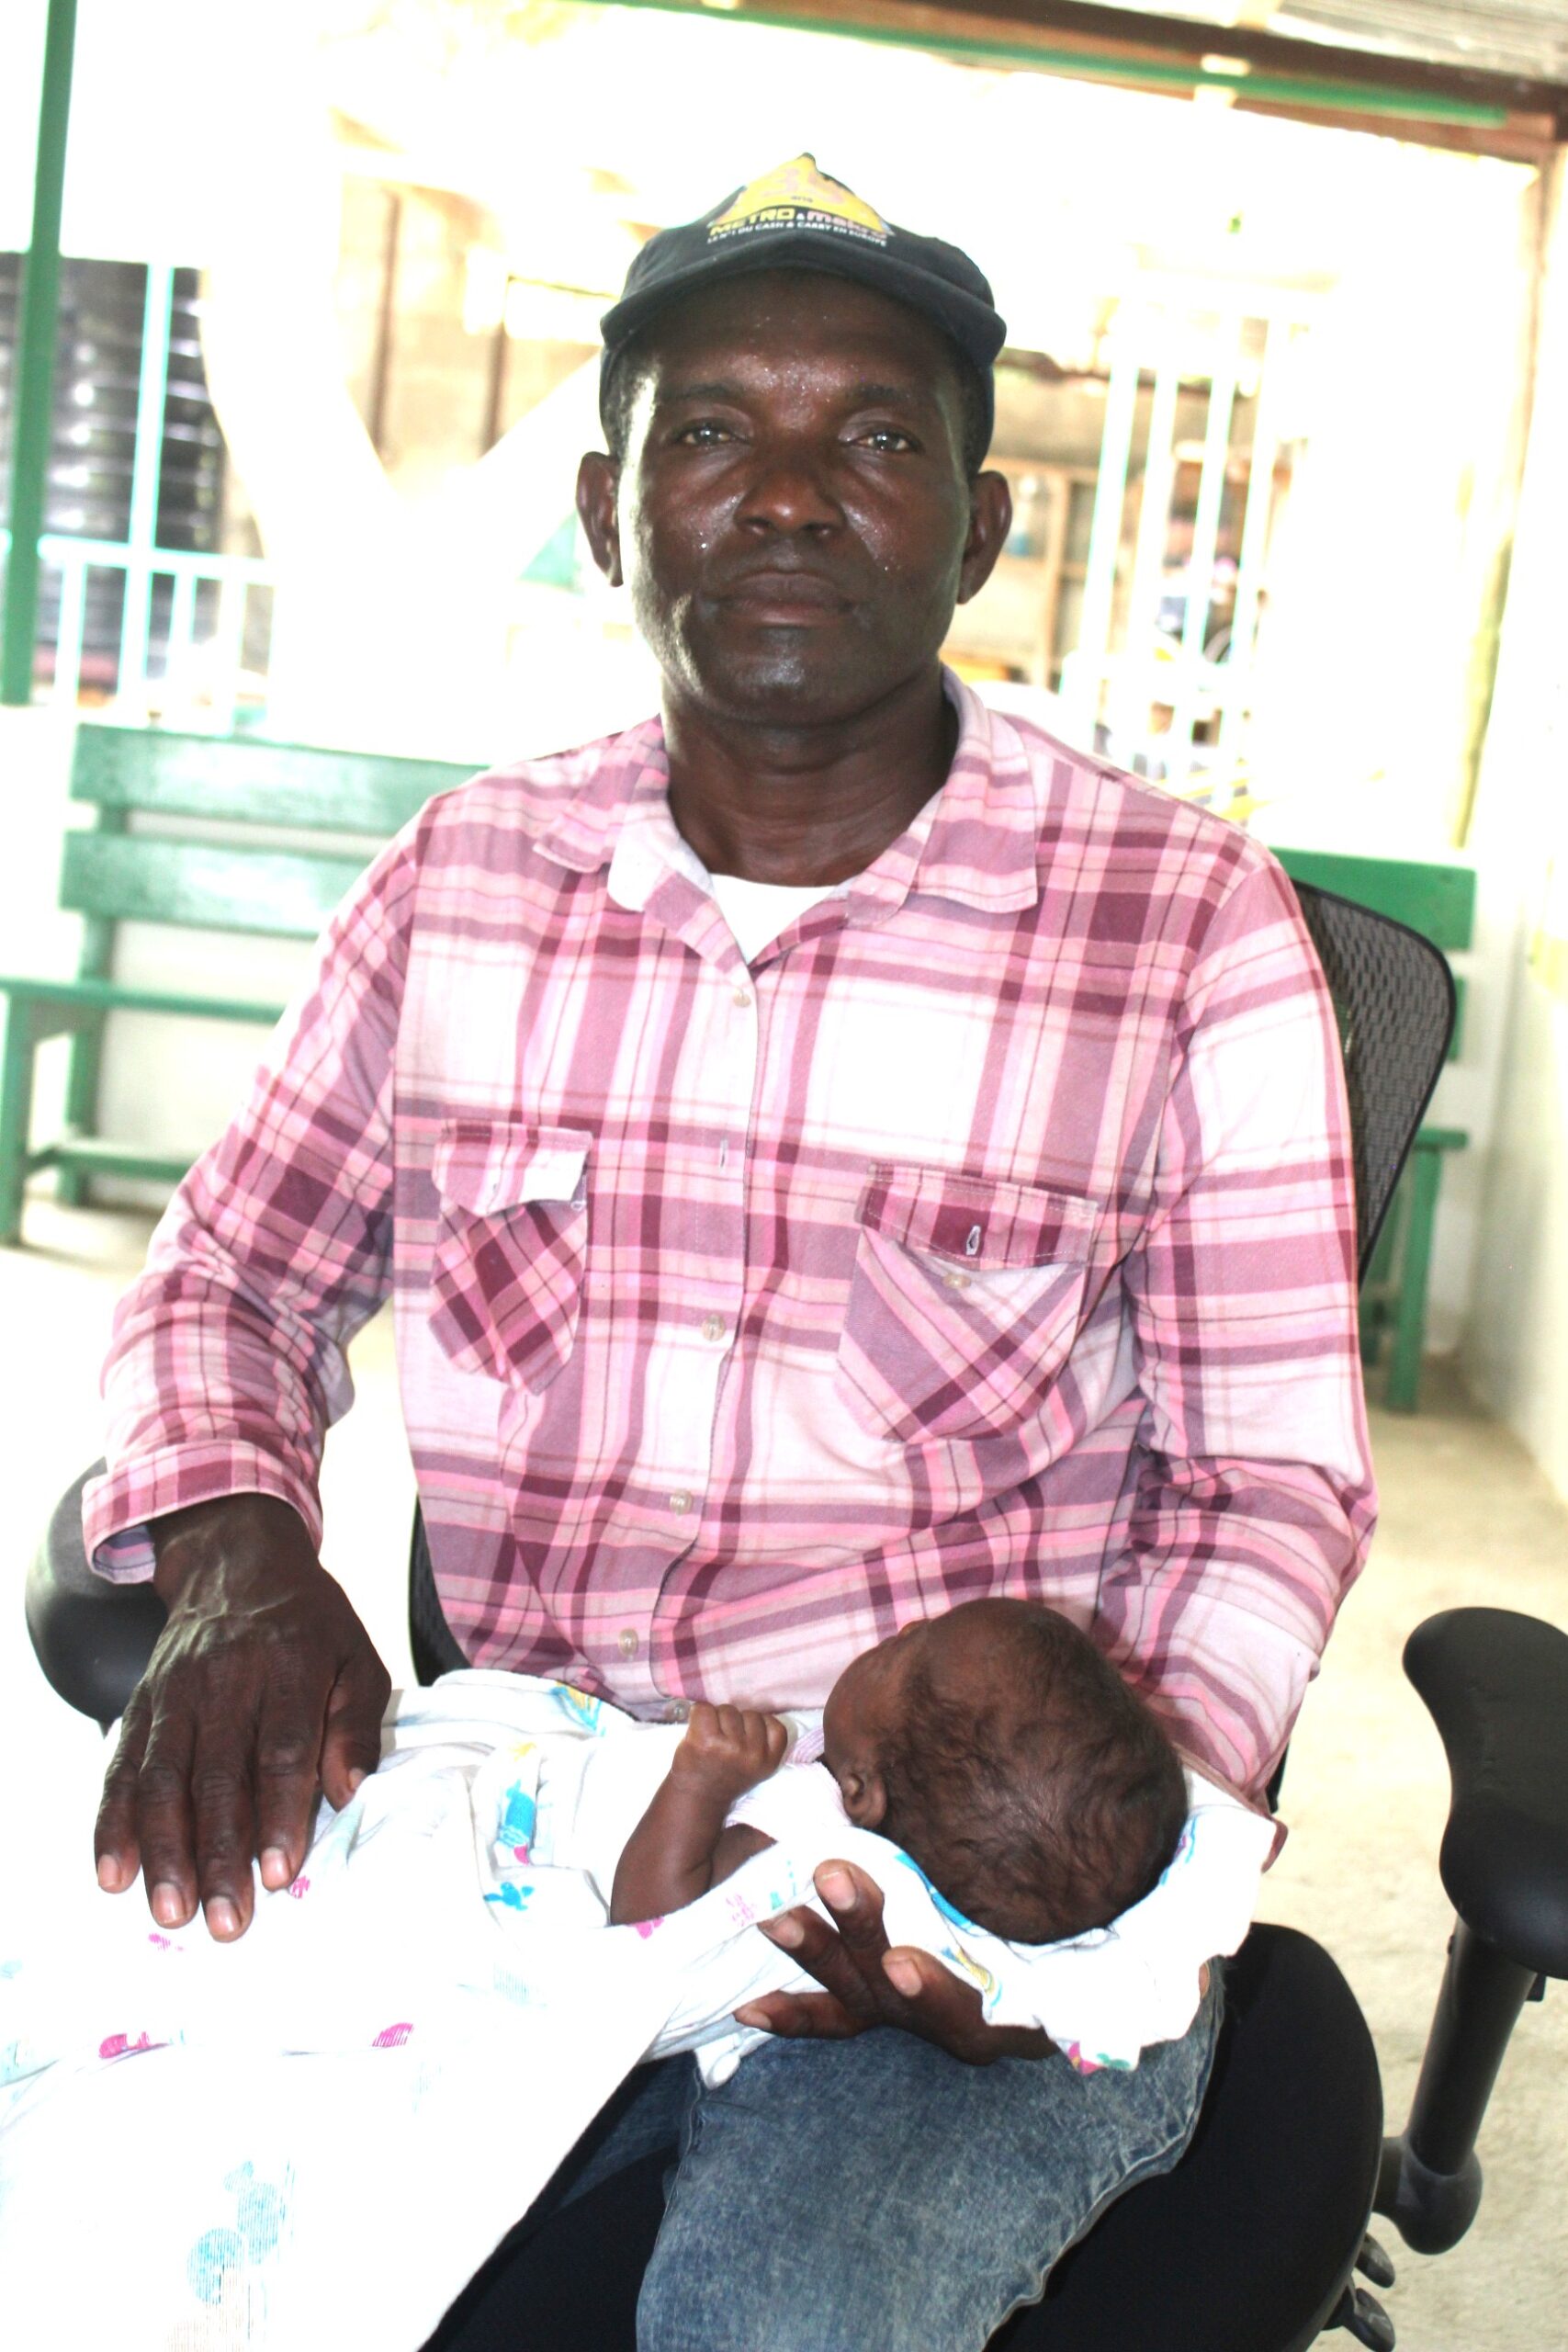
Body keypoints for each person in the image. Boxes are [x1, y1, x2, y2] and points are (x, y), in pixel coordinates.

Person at [85, 153, 1374, 2351]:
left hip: (923, 1869)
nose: (784, 495)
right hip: (516, 1818)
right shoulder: (463, 882)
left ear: (975, 528)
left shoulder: (1182, 926)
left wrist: (1068, 1899)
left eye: (871, 436)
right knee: (143, 2222)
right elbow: (230, 1277)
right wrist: (234, 1550)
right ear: (607, 512)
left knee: (771, 2322)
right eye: (710, 431)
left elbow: (1264, 1477)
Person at [611, 1597, 1188, 1948]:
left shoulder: (803, 1824)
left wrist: (699, 1787)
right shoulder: (864, 1795)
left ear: (861, 1791)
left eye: (900, 1652)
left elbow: (648, 1932)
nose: (908, 1626)